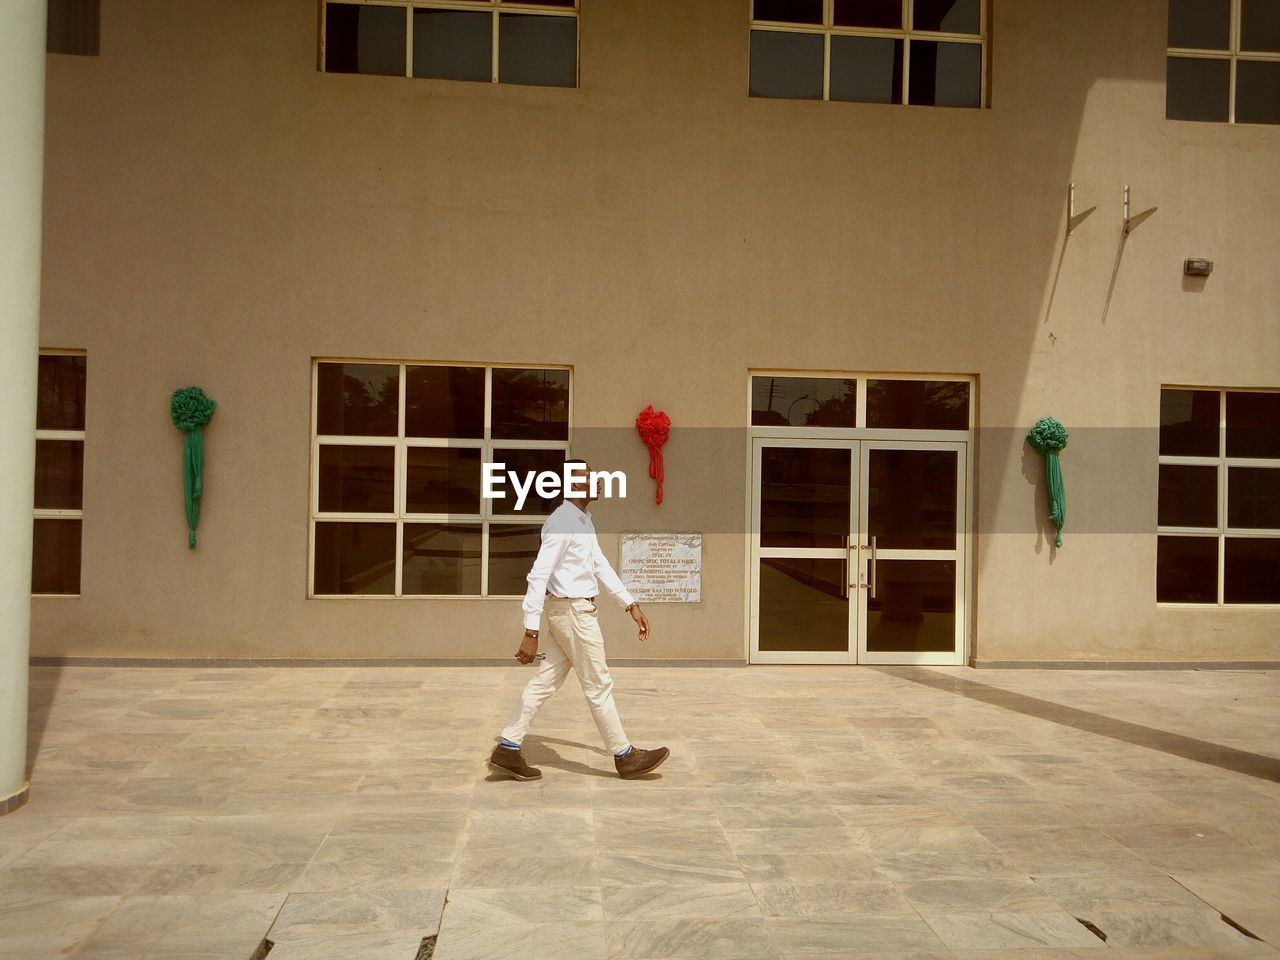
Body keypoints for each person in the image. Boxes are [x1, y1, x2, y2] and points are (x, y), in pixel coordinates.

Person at [488, 459, 670, 781]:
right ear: (573, 485)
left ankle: (508, 747)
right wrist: (530, 630)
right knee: (598, 684)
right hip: (573, 613)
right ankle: (624, 756)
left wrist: (630, 604)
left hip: (572, 612)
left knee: (546, 681)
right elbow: (538, 575)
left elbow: (600, 565)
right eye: (588, 477)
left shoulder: (583, 520)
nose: (596, 481)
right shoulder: (562, 523)